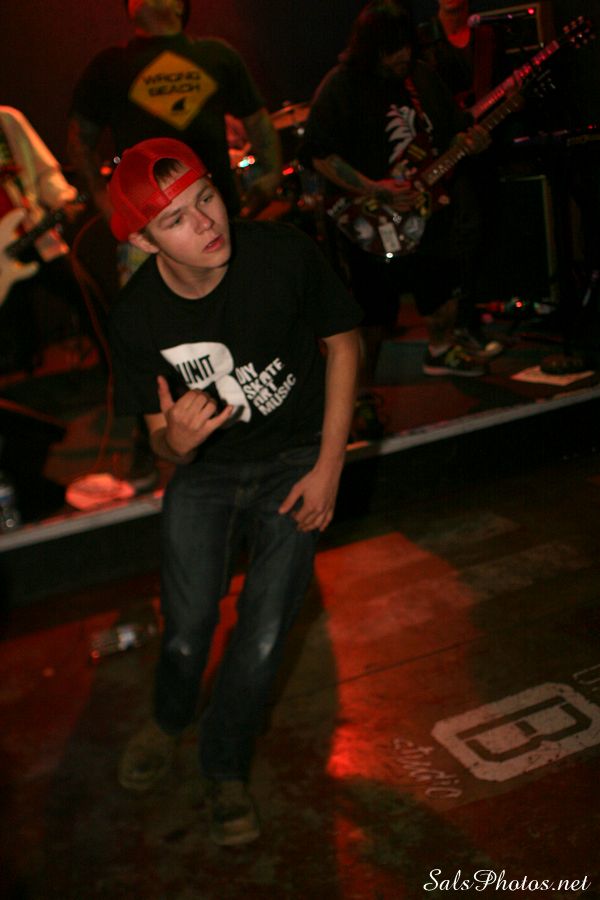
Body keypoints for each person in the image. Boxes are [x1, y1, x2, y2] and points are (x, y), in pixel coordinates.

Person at [107, 137, 361, 846]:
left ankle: (223, 766)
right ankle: (168, 718)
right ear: (143, 241)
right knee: (188, 627)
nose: (206, 223)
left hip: (296, 458)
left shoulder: (281, 254)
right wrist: (178, 442)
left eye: (205, 198)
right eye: (176, 219)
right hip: (208, 472)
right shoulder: (136, 317)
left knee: (263, 634)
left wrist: (330, 466)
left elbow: (345, 343)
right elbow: (161, 440)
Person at [67, 0, 283, 489]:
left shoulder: (215, 55)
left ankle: (259, 426)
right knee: (148, 332)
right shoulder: (111, 65)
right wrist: (104, 202)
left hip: (216, 217)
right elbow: (78, 138)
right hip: (150, 231)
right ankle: (149, 441)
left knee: (243, 319)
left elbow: (258, 120)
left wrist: (269, 173)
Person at [302, 1, 493, 381]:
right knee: (373, 313)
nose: (403, 55)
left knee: (442, 290)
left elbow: (454, 130)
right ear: (371, 48)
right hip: (369, 216)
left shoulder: (421, 77)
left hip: (427, 209)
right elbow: (316, 154)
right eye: (392, 49)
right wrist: (375, 188)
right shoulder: (342, 85)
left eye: (406, 45)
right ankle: (360, 391)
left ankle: (440, 351)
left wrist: (473, 141)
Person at [0, 106, 86, 372]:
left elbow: (44, 171)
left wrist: (62, 198)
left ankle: (118, 370)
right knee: (15, 337)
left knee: (85, 297)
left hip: (33, 233)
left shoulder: (6, 120)